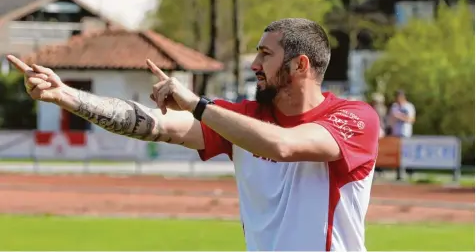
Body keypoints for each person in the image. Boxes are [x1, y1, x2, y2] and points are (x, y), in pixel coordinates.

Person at [7, 18, 380, 251]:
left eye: (265, 55)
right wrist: (67, 96)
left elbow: (283, 145)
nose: (254, 65)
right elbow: (156, 125)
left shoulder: (354, 118)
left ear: (300, 65)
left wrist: (198, 105)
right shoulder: (238, 118)